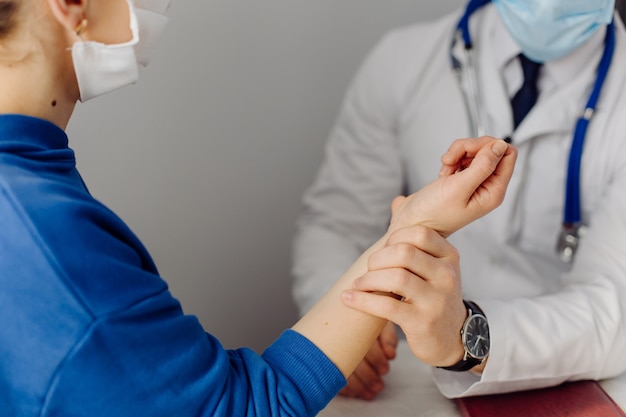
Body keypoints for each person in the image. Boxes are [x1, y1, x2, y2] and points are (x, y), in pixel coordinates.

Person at [0, 1, 518, 416]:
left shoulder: (31, 177)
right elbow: (243, 408)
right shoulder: (45, 235)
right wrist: (418, 229)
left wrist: (408, 230)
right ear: (69, 4)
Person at [292, 0, 626, 401]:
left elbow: (616, 303)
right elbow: (336, 224)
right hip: (403, 377)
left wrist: (466, 336)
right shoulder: (403, 59)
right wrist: (339, 325)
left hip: (576, 376)